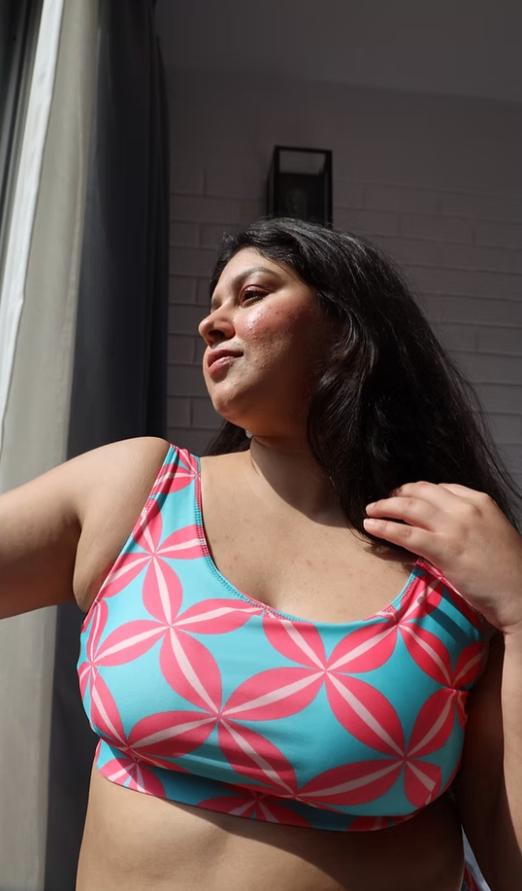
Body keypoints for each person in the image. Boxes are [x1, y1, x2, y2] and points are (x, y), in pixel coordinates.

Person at [1, 217, 521, 891]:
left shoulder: (454, 554)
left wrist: (519, 603)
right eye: (212, 307)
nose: (212, 324)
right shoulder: (138, 492)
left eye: (250, 294)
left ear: (348, 326)